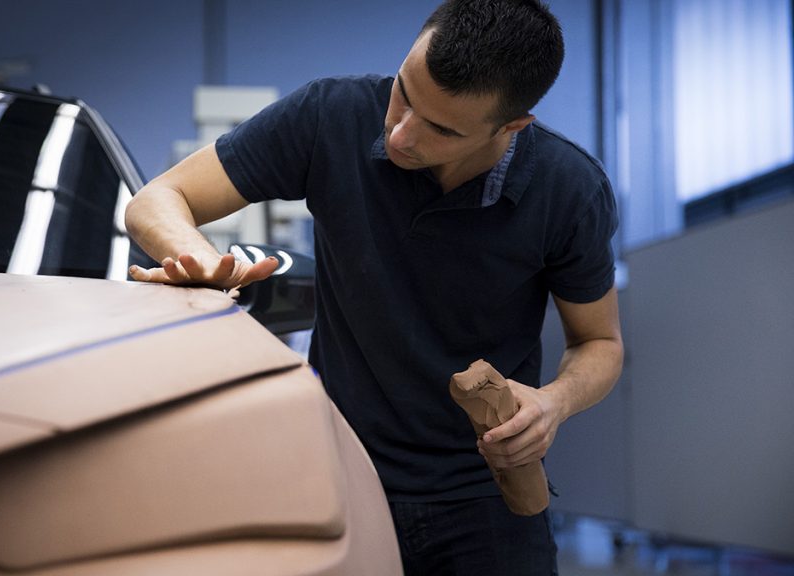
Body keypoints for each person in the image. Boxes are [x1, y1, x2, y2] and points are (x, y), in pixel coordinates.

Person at [124, 0, 624, 573]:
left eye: (440, 128)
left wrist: (553, 405)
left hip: (484, 495)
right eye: (405, 93)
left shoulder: (569, 191)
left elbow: (600, 345)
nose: (401, 133)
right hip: (340, 474)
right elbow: (156, 200)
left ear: (511, 127)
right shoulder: (330, 115)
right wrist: (197, 258)